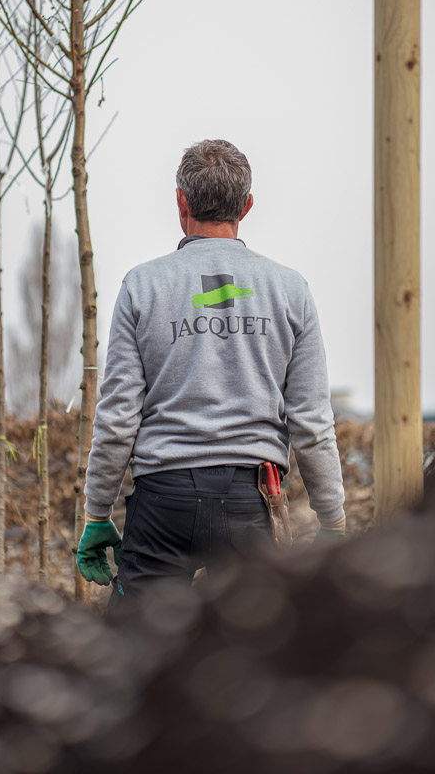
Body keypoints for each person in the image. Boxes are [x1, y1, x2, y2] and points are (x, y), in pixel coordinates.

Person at [77, 139, 346, 602]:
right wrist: (332, 519)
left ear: (181, 201)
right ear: (247, 205)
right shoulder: (290, 290)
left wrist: (97, 514)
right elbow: (311, 422)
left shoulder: (142, 286)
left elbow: (118, 416)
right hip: (253, 503)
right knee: (253, 656)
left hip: (162, 502)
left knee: (132, 655)